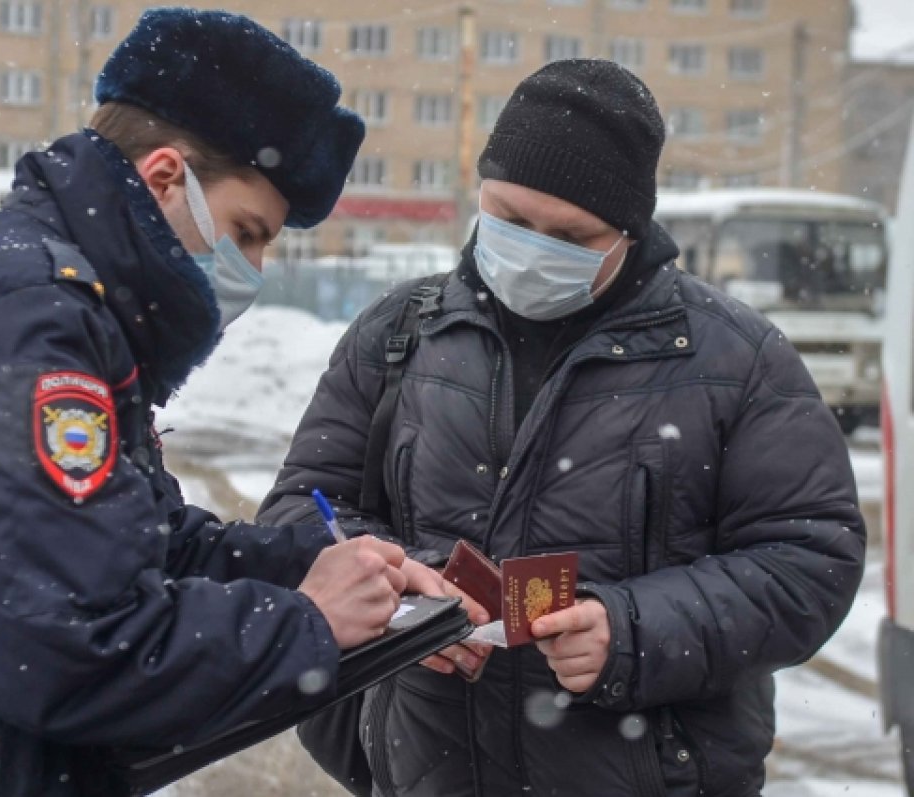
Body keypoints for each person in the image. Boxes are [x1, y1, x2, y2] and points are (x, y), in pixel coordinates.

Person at [0, 9, 470, 796]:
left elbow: (136, 546)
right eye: (246, 232)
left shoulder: (69, 305)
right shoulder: (34, 329)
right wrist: (304, 621)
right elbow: (64, 649)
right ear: (166, 178)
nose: (253, 268)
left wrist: (309, 564)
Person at [259, 59, 866, 796]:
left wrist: (634, 629)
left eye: (572, 235)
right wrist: (399, 598)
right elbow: (302, 509)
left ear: (629, 233)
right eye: (510, 219)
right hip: (430, 768)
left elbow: (809, 560)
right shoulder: (400, 333)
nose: (534, 248)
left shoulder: (735, 359)